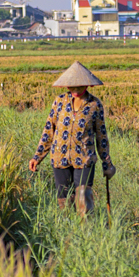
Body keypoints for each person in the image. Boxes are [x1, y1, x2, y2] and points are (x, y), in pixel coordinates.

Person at [28, 61, 114, 216]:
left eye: (79, 86)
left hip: (84, 158)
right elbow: (49, 130)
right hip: (60, 158)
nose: (75, 90)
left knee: (83, 201)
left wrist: (107, 163)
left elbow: (101, 136)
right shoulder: (59, 102)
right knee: (64, 202)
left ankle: (87, 235)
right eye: (72, 86)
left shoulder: (95, 105)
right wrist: (37, 156)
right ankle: (67, 234)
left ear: (88, 85)